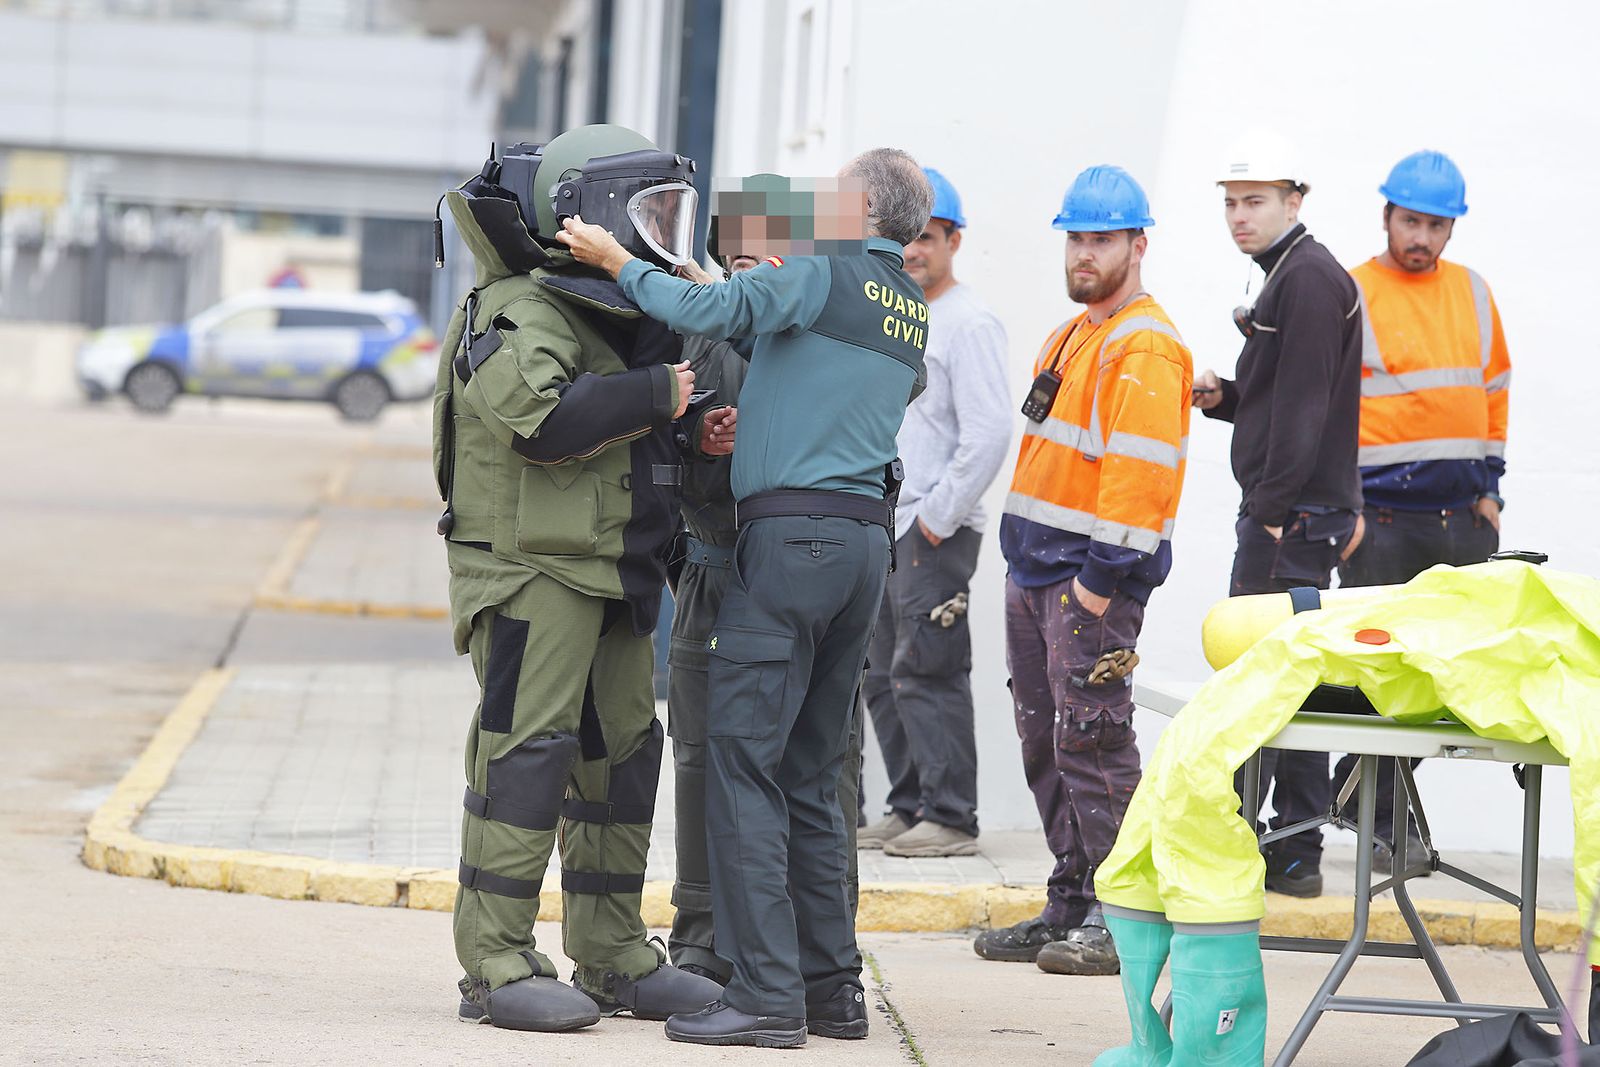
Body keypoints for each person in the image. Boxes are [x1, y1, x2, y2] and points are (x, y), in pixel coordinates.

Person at [559, 148, 932, 1048]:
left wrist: (620, 263)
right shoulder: (905, 305)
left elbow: (716, 311)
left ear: (853, 205)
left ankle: (766, 992)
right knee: (810, 770)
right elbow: (779, 344)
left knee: (740, 760)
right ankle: (832, 987)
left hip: (789, 545)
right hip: (860, 550)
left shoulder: (824, 268)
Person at [431, 126, 723, 1033]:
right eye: (649, 212)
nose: (665, 230)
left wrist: (688, 431)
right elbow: (545, 422)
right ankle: (497, 960)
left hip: (614, 573)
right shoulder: (517, 308)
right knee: (526, 755)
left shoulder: (628, 314)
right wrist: (659, 397)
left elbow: (634, 445)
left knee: (623, 762)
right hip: (531, 574)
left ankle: (613, 951)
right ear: (586, 213)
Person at [974, 165, 1192, 977]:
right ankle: (1072, 900)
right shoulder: (1072, 335)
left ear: (1138, 245)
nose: (1084, 254)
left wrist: (1097, 584)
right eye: (1076, 238)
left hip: (1083, 585)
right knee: (1049, 740)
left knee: (1095, 740)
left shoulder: (1145, 343)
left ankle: (1123, 915)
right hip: (1036, 575)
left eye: (1101, 239)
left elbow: (1138, 480)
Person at [663, 235, 866, 986]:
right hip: (715, 574)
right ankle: (704, 938)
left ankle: (822, 951)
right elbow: (660, 448)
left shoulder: (837, 329)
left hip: (807, 576)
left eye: (771, 255)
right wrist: (697, 443)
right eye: (739, 258)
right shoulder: (699, 328)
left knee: (819, 765)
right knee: (703, 760)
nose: (753, 269)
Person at [1192, 135, 1363, 898]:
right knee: (1282, 680)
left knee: (1274, 684)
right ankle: (1289, 848)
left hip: (1286, 521)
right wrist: (1225, 397)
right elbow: (1279, 401)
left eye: (1255, 200)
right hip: (1290, 513)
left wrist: (1266, 517)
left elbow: (1303, 412)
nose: (1239, 215)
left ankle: (1294, 849)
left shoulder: (1310, 279)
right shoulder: (1288, 276)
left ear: (1295, 202)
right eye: (1230, 202)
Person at [1332, 150, 1512, 871]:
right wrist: (1347, 514)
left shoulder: (1472, 292)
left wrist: (1492, 493)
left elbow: (1495, 390)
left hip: (1461, 518)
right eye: (1412, 221)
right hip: (1379, 519)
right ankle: (1382, 823)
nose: (1424, 238)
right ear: (1386, 217)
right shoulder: (1353, 290)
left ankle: (1358, 795)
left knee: (1452, 679)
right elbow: (1331, 406)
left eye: (1437, 225)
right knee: (1382, 678)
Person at [859, 167, 1012, 859]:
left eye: (927, 236)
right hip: (885, 525)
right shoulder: (897, 310)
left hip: (932, 532)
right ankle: (910, 802)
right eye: (906, 237)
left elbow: (988, 433)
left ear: (954, 239)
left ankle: (951, 814)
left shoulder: (969, 322)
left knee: (927, 667)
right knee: (880, 674)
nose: (914, 249)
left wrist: (935, 519)